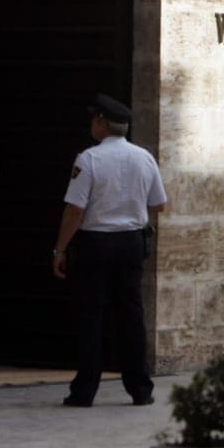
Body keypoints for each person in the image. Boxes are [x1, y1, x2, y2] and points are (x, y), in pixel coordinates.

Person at [52, 93, 167, 407]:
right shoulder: (144, 157)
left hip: (95, 243)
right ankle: (140, 389)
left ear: (101, 122)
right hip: (130, 242)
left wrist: (59, 250)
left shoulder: (88, 159)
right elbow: (159, 203)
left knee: (91, 316)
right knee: (131, 315)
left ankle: (85, 390)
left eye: (94, 118)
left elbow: (75, 210)